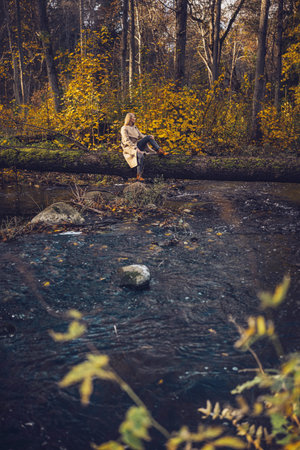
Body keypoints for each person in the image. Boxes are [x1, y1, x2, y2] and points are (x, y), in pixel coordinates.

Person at [120, 112, 167, 181]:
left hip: (136, 144)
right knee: (140, 154)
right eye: (133, 117)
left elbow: (141, 136)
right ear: (129, 119)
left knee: (148, 137)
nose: (135, 118)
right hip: (129, 147)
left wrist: (149, 136)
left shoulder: (134, 127)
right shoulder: (124, 128)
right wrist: (135, 148)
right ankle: (139, 175)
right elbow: (126, 141)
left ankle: (159, 150)